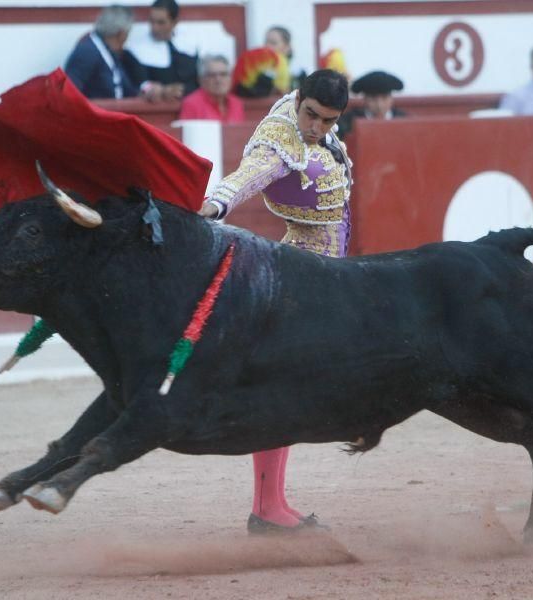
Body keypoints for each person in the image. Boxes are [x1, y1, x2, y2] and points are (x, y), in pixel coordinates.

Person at [198, 70, 351, 533]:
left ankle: (270, 506)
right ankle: (268, 508)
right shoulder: (280, 137)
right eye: (311, 116)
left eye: (329, 121)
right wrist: (213, 205)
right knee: (284, 390)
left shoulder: (313, 114)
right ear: (298, 100)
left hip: (323, 269)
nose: (317, 129)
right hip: (303, 273)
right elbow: (250, 175)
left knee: (290, 389)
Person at [64, 5, 147, 100]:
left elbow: (126, 89)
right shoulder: (88, 51)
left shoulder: (109, 50)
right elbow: (69, 93)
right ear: (121, 34)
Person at [129, 0, 199, 102]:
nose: (155, 28)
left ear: (174, 22)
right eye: (152, 21)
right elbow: (140, 84)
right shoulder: (136, 49)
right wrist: (161, 91)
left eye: (161, 23)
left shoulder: (190, 46)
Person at [337, 70, 406, 137]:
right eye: (373, 98)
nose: (379, 105)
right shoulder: (347, 122)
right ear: (365, 99)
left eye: (384, 98)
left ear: (391, 98)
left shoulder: (404, 120)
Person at [178, 55, 244, 123]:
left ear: (231, 78)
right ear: (201, 80)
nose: (218, 80)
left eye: (223, 74)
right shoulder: (191, 104)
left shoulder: (237, 104)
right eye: (212, 75)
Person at [264, 25, 306, 91]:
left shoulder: (298, 72)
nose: (267, 46)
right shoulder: (261, 72)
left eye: (273, 43)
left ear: (287, 47)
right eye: (266, 42)